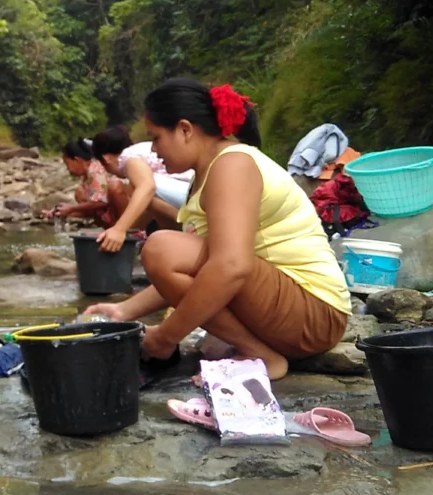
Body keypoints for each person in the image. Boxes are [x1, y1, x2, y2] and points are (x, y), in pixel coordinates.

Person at [85, 79, 351, 380]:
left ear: (185, 130)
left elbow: (230, 266)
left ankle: (261, 357)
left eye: (156, 137)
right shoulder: (209, 171)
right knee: (206, 330)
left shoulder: (232, 165)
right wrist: (124, 312)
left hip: (314, 315)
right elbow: (195, 270)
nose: (154, 150)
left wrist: (165, 336)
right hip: (288, 307)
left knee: (160, 247)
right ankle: (257, 350)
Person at [93, 126, 194, 252]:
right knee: (142, 197)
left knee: (138, 189)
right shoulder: (140, 151)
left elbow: (147, 187)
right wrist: (126, 231)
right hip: (190, 193)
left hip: (187, 194)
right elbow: (148, 209)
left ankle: (190, 224)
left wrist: (119, 229)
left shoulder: (128, 158)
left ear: (106, 158)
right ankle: (180, 239)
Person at [44, 138, 128, 227]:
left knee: (111, 188)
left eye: (67, 164)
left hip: (124, 211)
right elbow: (88, 209)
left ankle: (125, 227)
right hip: (109, 214)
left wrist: (71, 208)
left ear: (77, 160)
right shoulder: (86, 177)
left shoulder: (95, 169)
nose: (68, 169)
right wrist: (60, 212)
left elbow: (101, 202)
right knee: (80, 193)